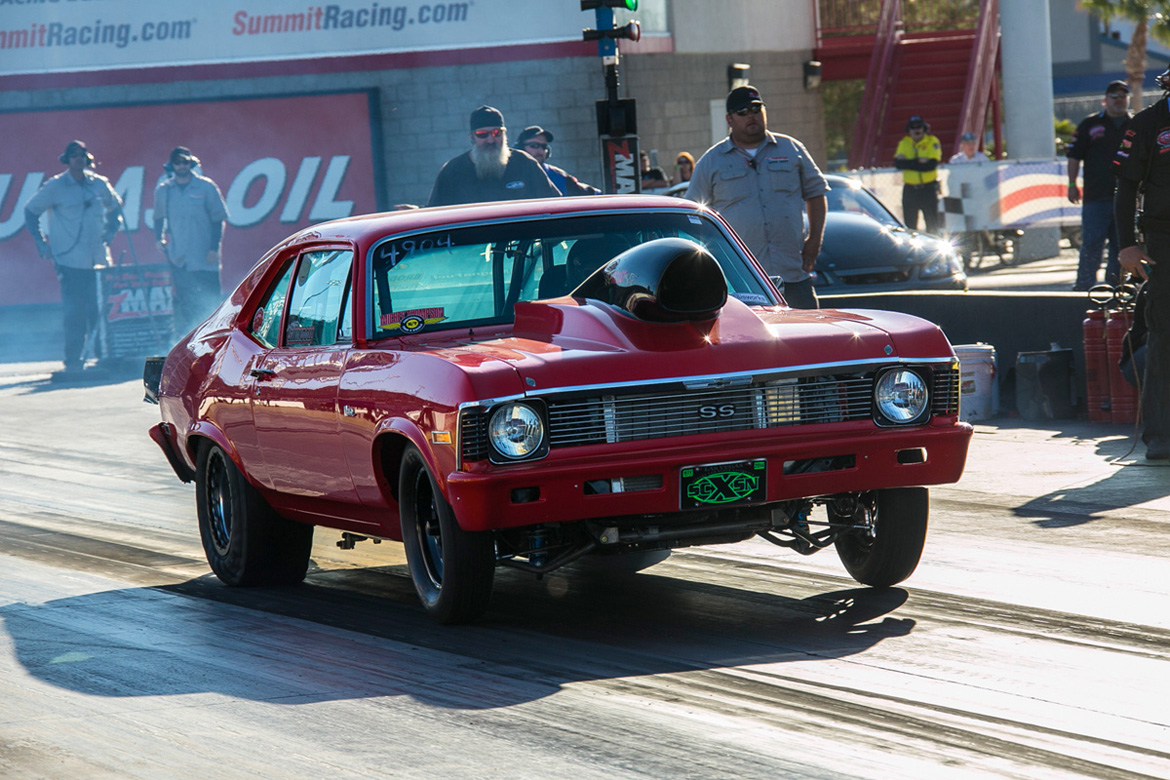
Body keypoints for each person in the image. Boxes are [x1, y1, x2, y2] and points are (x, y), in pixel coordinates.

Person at [686, 85, 828, 309]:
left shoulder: (791, 149)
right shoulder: (712, 161)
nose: (750, 115)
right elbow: (693, 214)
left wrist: (814, 241)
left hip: (792, 274)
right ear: (729, 119)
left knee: (807, 337)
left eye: (755, 108)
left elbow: (817, 193)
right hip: (741, 282)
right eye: (742, 112)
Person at [24, 140, 123, 373]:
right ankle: (73, 360)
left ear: (87, 158)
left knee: (99, 311)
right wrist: (40, 241)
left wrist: (110, 230)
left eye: (82, 155)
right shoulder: (55, 186)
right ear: (67, 160)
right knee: (75, 312)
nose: (78, 158)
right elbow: (30, 211)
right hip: (70, 260)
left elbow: (116, 208)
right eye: (74, 155)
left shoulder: (99, 184)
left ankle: (103, 357)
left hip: (99, 260)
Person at [1114, 68, 1170, 460]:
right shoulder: (1148, 123)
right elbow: (1125, 188)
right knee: (1165, 338)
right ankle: (1161, 437)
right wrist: (1128, 247)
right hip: (1162, 242)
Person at [153, 146, 228, 334]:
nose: (181, 165)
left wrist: (213, 248)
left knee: (211, 303)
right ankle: (190, 342)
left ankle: (213, 341)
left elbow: (218, 220)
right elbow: (158, 217)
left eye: (185, 162)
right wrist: (158, 238)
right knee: (186, 303)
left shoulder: (207, 187)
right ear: (171, 165)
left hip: (205, 258)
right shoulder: (164, 190)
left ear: (191, 163)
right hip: (180, 259)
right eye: (177, 162)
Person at [427, 106, 560, 207]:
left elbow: (554, 205)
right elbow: (435, 213)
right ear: (472, 137)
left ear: (505, 135)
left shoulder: (525, 163)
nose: (491, 140)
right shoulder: (452, 171)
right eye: (482, 134)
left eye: (497, 133)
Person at [1069, 80, 1132, 291]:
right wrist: (1071, 183)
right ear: (1105, 100)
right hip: (1096, 197)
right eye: (1114, 96)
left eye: (1123, 96)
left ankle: (1116, 287)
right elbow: (1074, 156)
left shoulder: (1135, 124)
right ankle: (1083, 286)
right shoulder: (1090, 124)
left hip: (1125, 198)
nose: (1119, 101)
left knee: (1121, 245)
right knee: (1092, 243)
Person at [514, 126, 600, 196]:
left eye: (544, 147)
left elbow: (595, 195)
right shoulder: (508, 174)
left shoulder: (559, 176)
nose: (540, 151)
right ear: (520, 148)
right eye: (534, 145)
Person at [894, 115, 942, 233]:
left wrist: (908, 163)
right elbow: (898, 164)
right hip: (910, 190)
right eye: (913, 128)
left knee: (932, 224)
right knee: (910, 226)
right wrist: (918, 162)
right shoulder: (904, 143)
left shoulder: (932, 141)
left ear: (924, 128)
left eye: (919, 127)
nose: (916, 130)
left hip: (928, 188)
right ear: (909, 130)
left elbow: (930, 165)